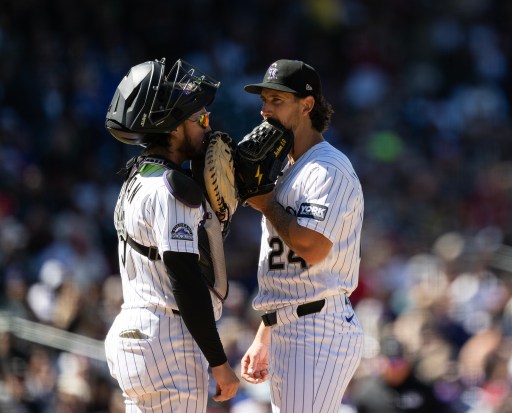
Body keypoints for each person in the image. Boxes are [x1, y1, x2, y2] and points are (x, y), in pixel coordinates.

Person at [103, 58, 239, 412]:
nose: (208, 128)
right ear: (175, 126)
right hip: (167, 340)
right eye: (202, 119)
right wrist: (219, 362)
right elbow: (185, 279)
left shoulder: (137, 178)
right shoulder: (172, 187)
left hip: (136, 333)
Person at [240, 59, 364, 413]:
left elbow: (310, 247)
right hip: (292, 323)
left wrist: (265, 204)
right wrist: (266, 333)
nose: (265, 111)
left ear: (307, 105)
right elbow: (288, 272)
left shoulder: (327, 168)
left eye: (277, 101)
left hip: (317, 329)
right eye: (264, 101)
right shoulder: (288, 167)